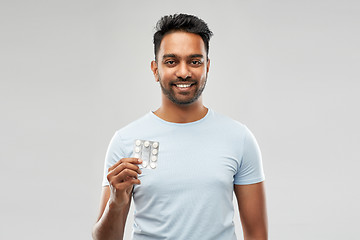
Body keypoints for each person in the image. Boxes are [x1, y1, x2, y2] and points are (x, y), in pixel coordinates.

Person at [92, 13, 268, 240]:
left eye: (195, 61)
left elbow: (257, 234)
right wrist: (116, 203)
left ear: (207, 67)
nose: (184, 72)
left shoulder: (239, 138)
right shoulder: (125, 140)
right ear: (156, 70)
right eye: (171, 61)